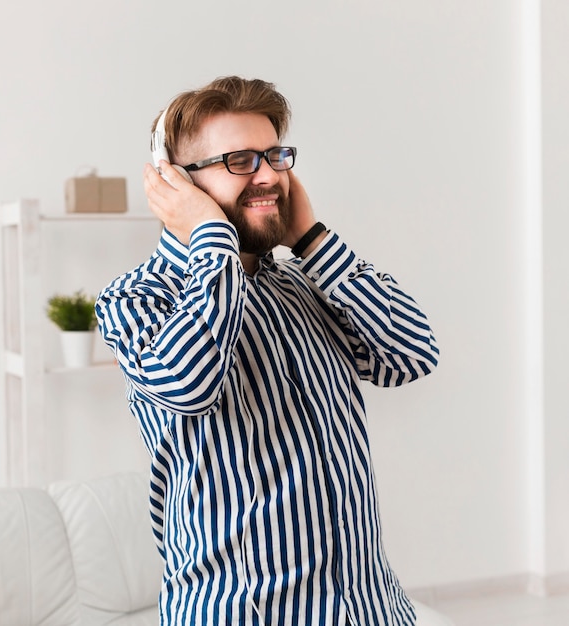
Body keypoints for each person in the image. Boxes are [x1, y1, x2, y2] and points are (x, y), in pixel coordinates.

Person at [96, 76, 440, 626]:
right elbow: (189, 383)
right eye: (238, 160)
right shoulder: (135, 298)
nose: (267, 176)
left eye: (274, 156)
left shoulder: (307, 284)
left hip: (370, 609)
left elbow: (411, 355)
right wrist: (210, 233)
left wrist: (311, 239)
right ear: (175, 182)